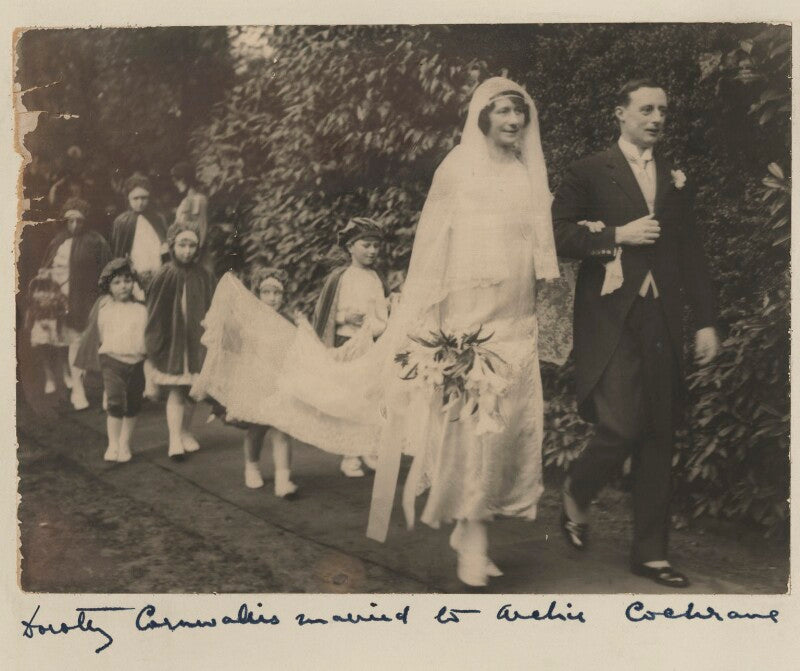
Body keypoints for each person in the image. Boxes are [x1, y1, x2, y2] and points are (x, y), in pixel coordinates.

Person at [365, 77, 572, 587]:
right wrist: (429, 318)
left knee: (506, 433)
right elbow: (433, 246)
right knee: (475, 432)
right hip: (469, 321)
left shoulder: (526, 174)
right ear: (483, 117)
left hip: (514, 319)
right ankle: (474, 539)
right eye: (503, 111)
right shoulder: (457, 168)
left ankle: (470, 528)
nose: (513, 121)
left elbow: (540, 251)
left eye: (519, 113)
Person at [551, 78, 719, 588]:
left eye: (662, 110)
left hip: (662, 316)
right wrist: (617, 235)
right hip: (611, 318)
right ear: (619, 113)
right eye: (646, 109)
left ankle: (651, 555)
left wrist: (706, 320)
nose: (657, 118)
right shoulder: (588, 171)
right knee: (621, 426)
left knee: (659, 434)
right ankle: (577, 492)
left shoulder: (674, 176)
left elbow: (690, 250)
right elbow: (557, 235)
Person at [312, 217, 389, 477]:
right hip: (347, 343)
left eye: (376, 246)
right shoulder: (340, 277)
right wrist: (345, 318)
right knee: (350, 398)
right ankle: (350, 455)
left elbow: (381, 311)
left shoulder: (376, 277)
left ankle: (369, 448)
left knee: (372, 397)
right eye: (366, 245)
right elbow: (324, 312)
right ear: (350, 247)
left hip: (372, 344)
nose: (372, 251)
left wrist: (384, 317)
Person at [145, 222, 215, 460]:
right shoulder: (165, 274)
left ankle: (185, 431)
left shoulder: (204, 276)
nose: (187, 251)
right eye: (182, 245)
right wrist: (156, 343)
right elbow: (155, 313)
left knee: (193, 390)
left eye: (192, 246)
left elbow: (212, 307)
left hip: (196, 341)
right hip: (174, 341)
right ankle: (174, 438)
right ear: (172, 245)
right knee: (176, 390)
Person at [39, 197, 112, 409]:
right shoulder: (58, 241)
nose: (74, 225)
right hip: (66, 304)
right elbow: (46, 271)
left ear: (85, 221)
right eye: (70, 221)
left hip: (91, 300)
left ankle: (109, 391)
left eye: (79, 221)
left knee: (103, 344)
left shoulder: (96, 241)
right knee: (75, 345)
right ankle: (78, 392)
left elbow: (108, 270)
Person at [233, 267, 299, 496]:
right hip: (258, 383)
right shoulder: (251, 322)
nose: (272, 298)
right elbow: (243, 353)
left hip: (282, 382)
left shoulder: (288, 321)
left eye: (277, 293)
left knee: (282, 430)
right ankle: (252, 466)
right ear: (258, 294)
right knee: (257, 429)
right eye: (266, 292)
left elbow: (296, 350)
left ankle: (283, 480)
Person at [86, 258, 148, 463]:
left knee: (133, 403)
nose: (123, 286)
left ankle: (124, 443)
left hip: (136, 362)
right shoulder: (105, 309)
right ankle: (113, 443)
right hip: (112, 360)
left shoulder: (141, 309)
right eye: (117, 282)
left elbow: (145, 337)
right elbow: (98, 335)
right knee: (115, 402)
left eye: (127, 281)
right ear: (108, 286)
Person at [110, 174, 168, 299]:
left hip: (159, 274)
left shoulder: (158, 219)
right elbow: (119, 253)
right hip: (135, 276)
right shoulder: (122, 222)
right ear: (128, 198)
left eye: (144, 198)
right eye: (135, 198)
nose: (140, 202)